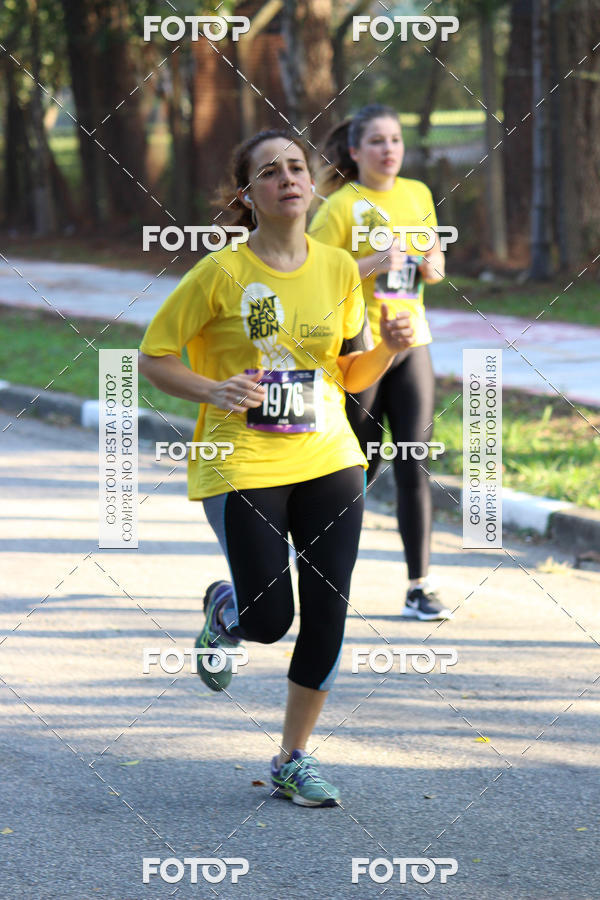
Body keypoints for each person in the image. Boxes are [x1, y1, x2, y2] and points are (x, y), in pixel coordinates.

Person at [138, 128, 414, 808]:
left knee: (328, 610)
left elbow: (349, 373)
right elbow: (152, 356)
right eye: (270, 171)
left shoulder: (340, 268)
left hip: (329, 456)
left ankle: (294, 757)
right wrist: (212, 389)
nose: (289, 177)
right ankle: (228, 607)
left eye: (297, 167)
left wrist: (390, 351)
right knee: (269, 621)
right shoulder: (220, 273)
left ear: (312, 186)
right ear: (248, 196)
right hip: (241, 458)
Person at [309, 104, 453, 622]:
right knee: (355, 469)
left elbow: (433, 259)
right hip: (362, 349)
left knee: (414, 461)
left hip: (411, 341)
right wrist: (372, 263)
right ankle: (325, 578)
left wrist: (432, 264)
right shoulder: (340, 206)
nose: (388, 149)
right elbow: (315, 274)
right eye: (376, 141)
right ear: (354, 151)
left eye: (395, 140)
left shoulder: (417, 194)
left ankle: (420, 585)